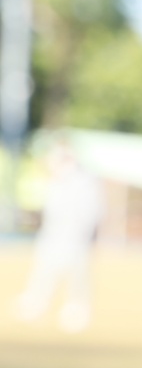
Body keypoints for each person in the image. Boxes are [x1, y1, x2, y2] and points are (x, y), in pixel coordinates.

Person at [12, 139, 103, 333]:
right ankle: (35, 304)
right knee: (43, 271)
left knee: (77, 276)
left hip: (75, 237)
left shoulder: (83, 182)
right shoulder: (55, 181)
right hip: (52, 235)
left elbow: (91, 212)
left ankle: (76, 311)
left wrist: (83, 234)